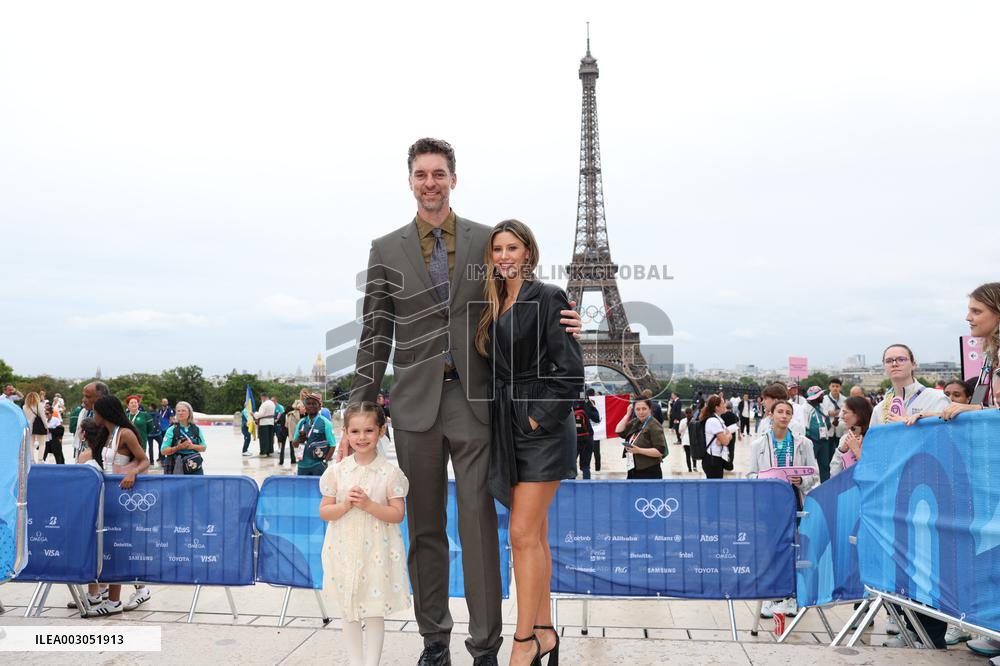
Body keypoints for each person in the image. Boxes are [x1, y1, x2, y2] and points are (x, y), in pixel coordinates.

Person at [346, 138, 581, 666]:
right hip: (412, 407)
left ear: (454, 178)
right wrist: (360, 409)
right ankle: (435, 639)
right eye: (421, 174)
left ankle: (485, 646)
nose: (430, 182)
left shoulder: (482, 241)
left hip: (477, 402)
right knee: (424, 527)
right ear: (410, 181)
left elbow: (522, 286)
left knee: (477, 528)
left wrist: (563, 319)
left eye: (440, 173)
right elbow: (374, 334)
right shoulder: (385, 249)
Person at [478, 219, 583, 666]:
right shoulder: (493, 301)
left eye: (512, 247)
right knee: (533, 534)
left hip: (539, 429)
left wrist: (536, 419)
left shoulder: (548, 296)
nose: (505, 256)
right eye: (498, 249)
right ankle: (544, 632)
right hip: (507, 426)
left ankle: (522, 642)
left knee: (521, 534)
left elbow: (571, 372)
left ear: (529, 252)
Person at [869, 343, 949, 649]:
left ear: (913, 363)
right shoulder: (881, 408)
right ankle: (908, 626)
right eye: (889, 360)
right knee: (902, 561)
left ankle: (931, 633)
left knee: (928, 564)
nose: (895, 364)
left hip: (929, 492)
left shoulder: (933, 398)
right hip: (896, 496)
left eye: (901, 358)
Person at [320, 402, 410, 666]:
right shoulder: (337, 472)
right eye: (355, 431)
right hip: (344, 551)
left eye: (368, 430)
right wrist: (345, 504)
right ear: (345, 433)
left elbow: (397, 514)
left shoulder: (390, 473)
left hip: (376, 555)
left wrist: (370, 505)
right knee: (348, 610)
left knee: (373, 611)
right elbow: (325, 512)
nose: (362, 437)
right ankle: (355, 662)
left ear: (381, 431)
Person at [81, 396, 151, 616]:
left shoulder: (125, 433)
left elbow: (144, 460)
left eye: (95, 412)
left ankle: (115, 601)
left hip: (122, 499)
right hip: (106, 498)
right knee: (110, 548)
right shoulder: (107, 434)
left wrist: (132, 472)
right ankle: (116, 595)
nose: (93, 416)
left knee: (118, 547)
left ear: (105, 412)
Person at [748, 399, 818, 618]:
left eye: (788, 412)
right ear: (771, 415)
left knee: (794, 547)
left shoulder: (803, 443)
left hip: (794, 499)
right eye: (780, 412)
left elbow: (814, 474)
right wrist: (766, 479)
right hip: (769, 503)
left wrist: (802, 481)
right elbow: (750, 475)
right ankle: (772, 596)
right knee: (771, 549)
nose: (784, 416)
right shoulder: (758, 444)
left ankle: (792, 596)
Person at [614, 397, 667, 479]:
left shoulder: (654, 425)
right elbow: (619, 431)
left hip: (649, 471)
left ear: (650, 409)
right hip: (633, 468)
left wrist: (639, 450)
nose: (641, 412)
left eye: (644, 409)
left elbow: (660, 451)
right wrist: (628, 414)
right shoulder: (636, 422)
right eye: (637, 409)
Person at [292, 393, 335, 476]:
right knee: (303, 488)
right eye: (308, 404)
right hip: (302, 465)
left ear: (319, 406)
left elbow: (332, 445)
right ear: (305, 407)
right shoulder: (301, 422)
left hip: (318, 466)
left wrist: (325, 461)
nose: (311, 406)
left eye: (314, 404)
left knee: (318, 488)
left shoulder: (326, 423)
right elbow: (294, 444)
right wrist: (300, 439)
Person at [829, 396, 873, 476]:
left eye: (845, 413)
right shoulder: (845, 439)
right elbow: (834, 475)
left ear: (858, 414)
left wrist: (856, 450)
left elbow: (872, 473)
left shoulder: (874, 439)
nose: (842, 417)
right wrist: (842, 451)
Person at [160, 401, 206, 475]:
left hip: (195, 466)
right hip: (177, 466)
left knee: (197, 486)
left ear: (189, 413)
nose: (180, 413)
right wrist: (178, 447)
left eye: (183, 410)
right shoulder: (171, 429)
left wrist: (192, 446)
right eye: (178, 411)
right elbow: (163, 451)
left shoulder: (196, 429)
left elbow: (203, 448)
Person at [819, 379, 848, 483]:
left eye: (837, 386)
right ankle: (828, 479)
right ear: (829, 387)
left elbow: (846, 413)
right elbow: (821, 411)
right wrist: (828, 413)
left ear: (840, 387)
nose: (835, 388)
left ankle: (839, 477)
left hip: (840, 431)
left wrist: (839, 414)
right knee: (828, 457)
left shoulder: (844, 400)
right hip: (828, 432)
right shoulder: (824, 399)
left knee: (840, 455)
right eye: (833, 386)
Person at [699, 395, 733, 479]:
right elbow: (726, 441)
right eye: (723, 403)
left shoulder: (718, 420)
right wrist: (727, 436)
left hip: (716, 459)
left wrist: (724, 437)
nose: (725, 405)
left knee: (716, 489)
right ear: (717, 407)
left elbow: (724, 438)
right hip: (713, 460)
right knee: (715, 489)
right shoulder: (713, 421)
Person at [574, 389, 600, 479]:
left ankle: (570, 490)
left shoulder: (568, 400)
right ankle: (586, 489)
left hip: (573, 438)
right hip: (587, 437)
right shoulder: (586, 401)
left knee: (571, 465)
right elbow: (596, 418)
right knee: (585, 466)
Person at [125, 396, 154, 466]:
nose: (134, 404)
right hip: (127, 444)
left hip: (141, 443)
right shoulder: (125, 416)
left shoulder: (145, 415)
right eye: (131, 403)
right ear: (128, 406)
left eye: (135, 402)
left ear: (138, 405)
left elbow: (150, 429)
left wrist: (142, 435)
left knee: (140, 464)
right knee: (128, 464)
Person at [22, 392, 47, 462]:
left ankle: (32, 460)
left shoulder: (24, 407)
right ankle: (40, 459)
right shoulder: (39, 405)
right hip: (39, 427)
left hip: (28, 427)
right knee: (42, 443)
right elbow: (43, 417)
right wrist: (46, 426)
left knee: (30, 444)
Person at [281, 399, 303, 466]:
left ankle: (283, 461)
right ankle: (293, 460)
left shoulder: (286, 415)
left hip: (288, 433)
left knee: (286, 446)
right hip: (291, 433)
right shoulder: (292, 415)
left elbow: (285, 424)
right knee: (293, 446)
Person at [678, 407, 696, 472]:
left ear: (685, 413)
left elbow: (679, 431)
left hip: (685, 440)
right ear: (692, 413)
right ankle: (695, 466)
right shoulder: (695, 421)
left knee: (687, 455)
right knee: (693, 454)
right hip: (693, 440)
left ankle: (689, 468)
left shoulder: (683, 421)